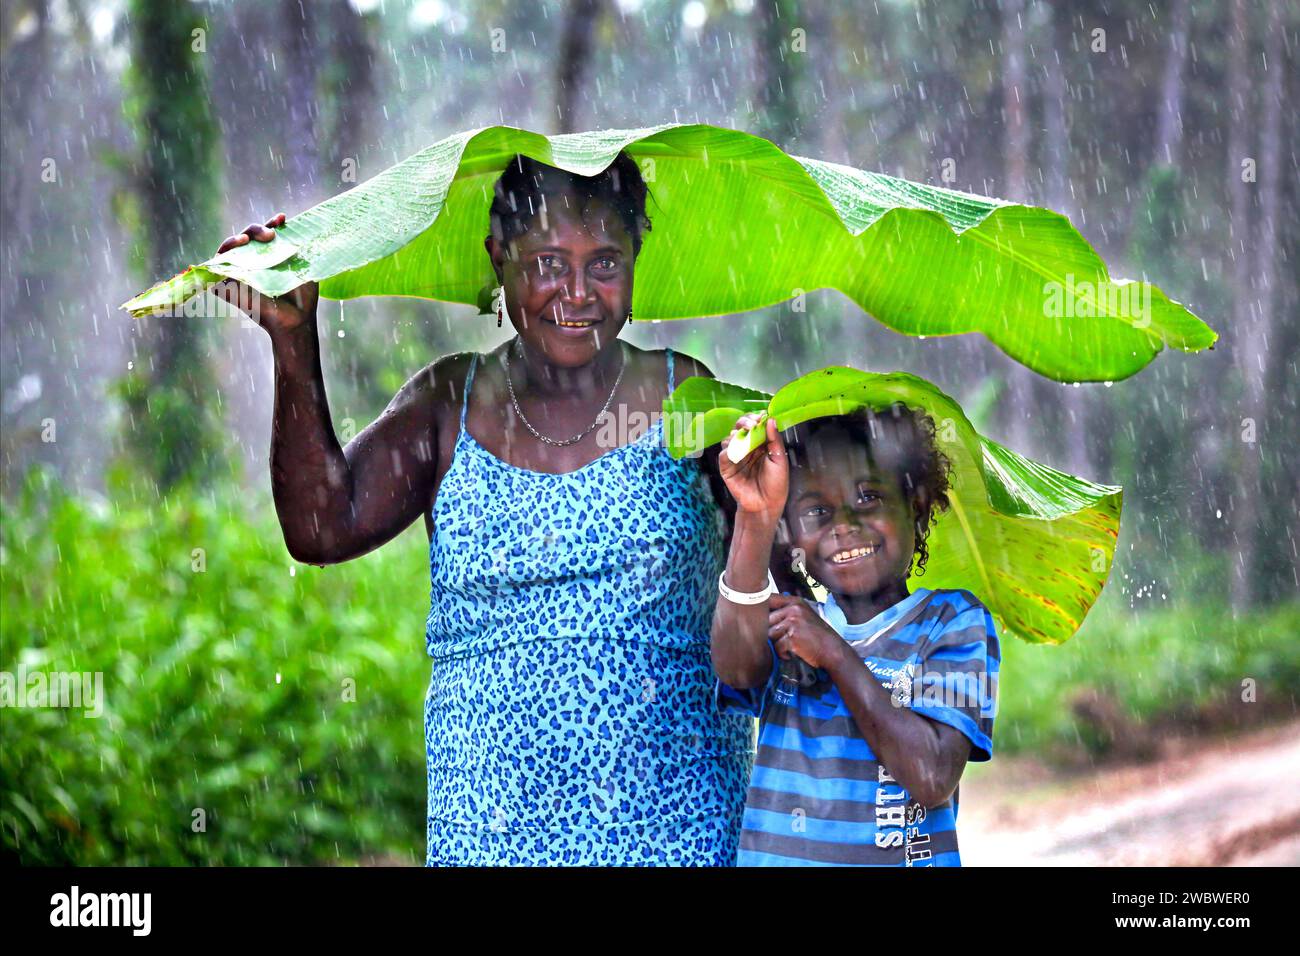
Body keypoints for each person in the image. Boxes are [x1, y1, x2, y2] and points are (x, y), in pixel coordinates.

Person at [211, 152, 753, 865]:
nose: (579, 294)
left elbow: (770, 580)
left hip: (677, 831)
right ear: (500, 258)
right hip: (491, 835)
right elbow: (321, 528)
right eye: (549, 262)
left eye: (606, 263)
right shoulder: (449, 406)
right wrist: (292, 342)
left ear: (637, 258)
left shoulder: (686, 398)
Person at [711, 404, 1000, 865]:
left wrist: (833, 653)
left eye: (868, 497)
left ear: (918, 505)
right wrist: (756, 514)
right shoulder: (791, 624)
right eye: (817, 510)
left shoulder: (952, 621)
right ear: (795, 537)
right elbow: (735, 665)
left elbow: (930, 774)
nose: (843, 524)